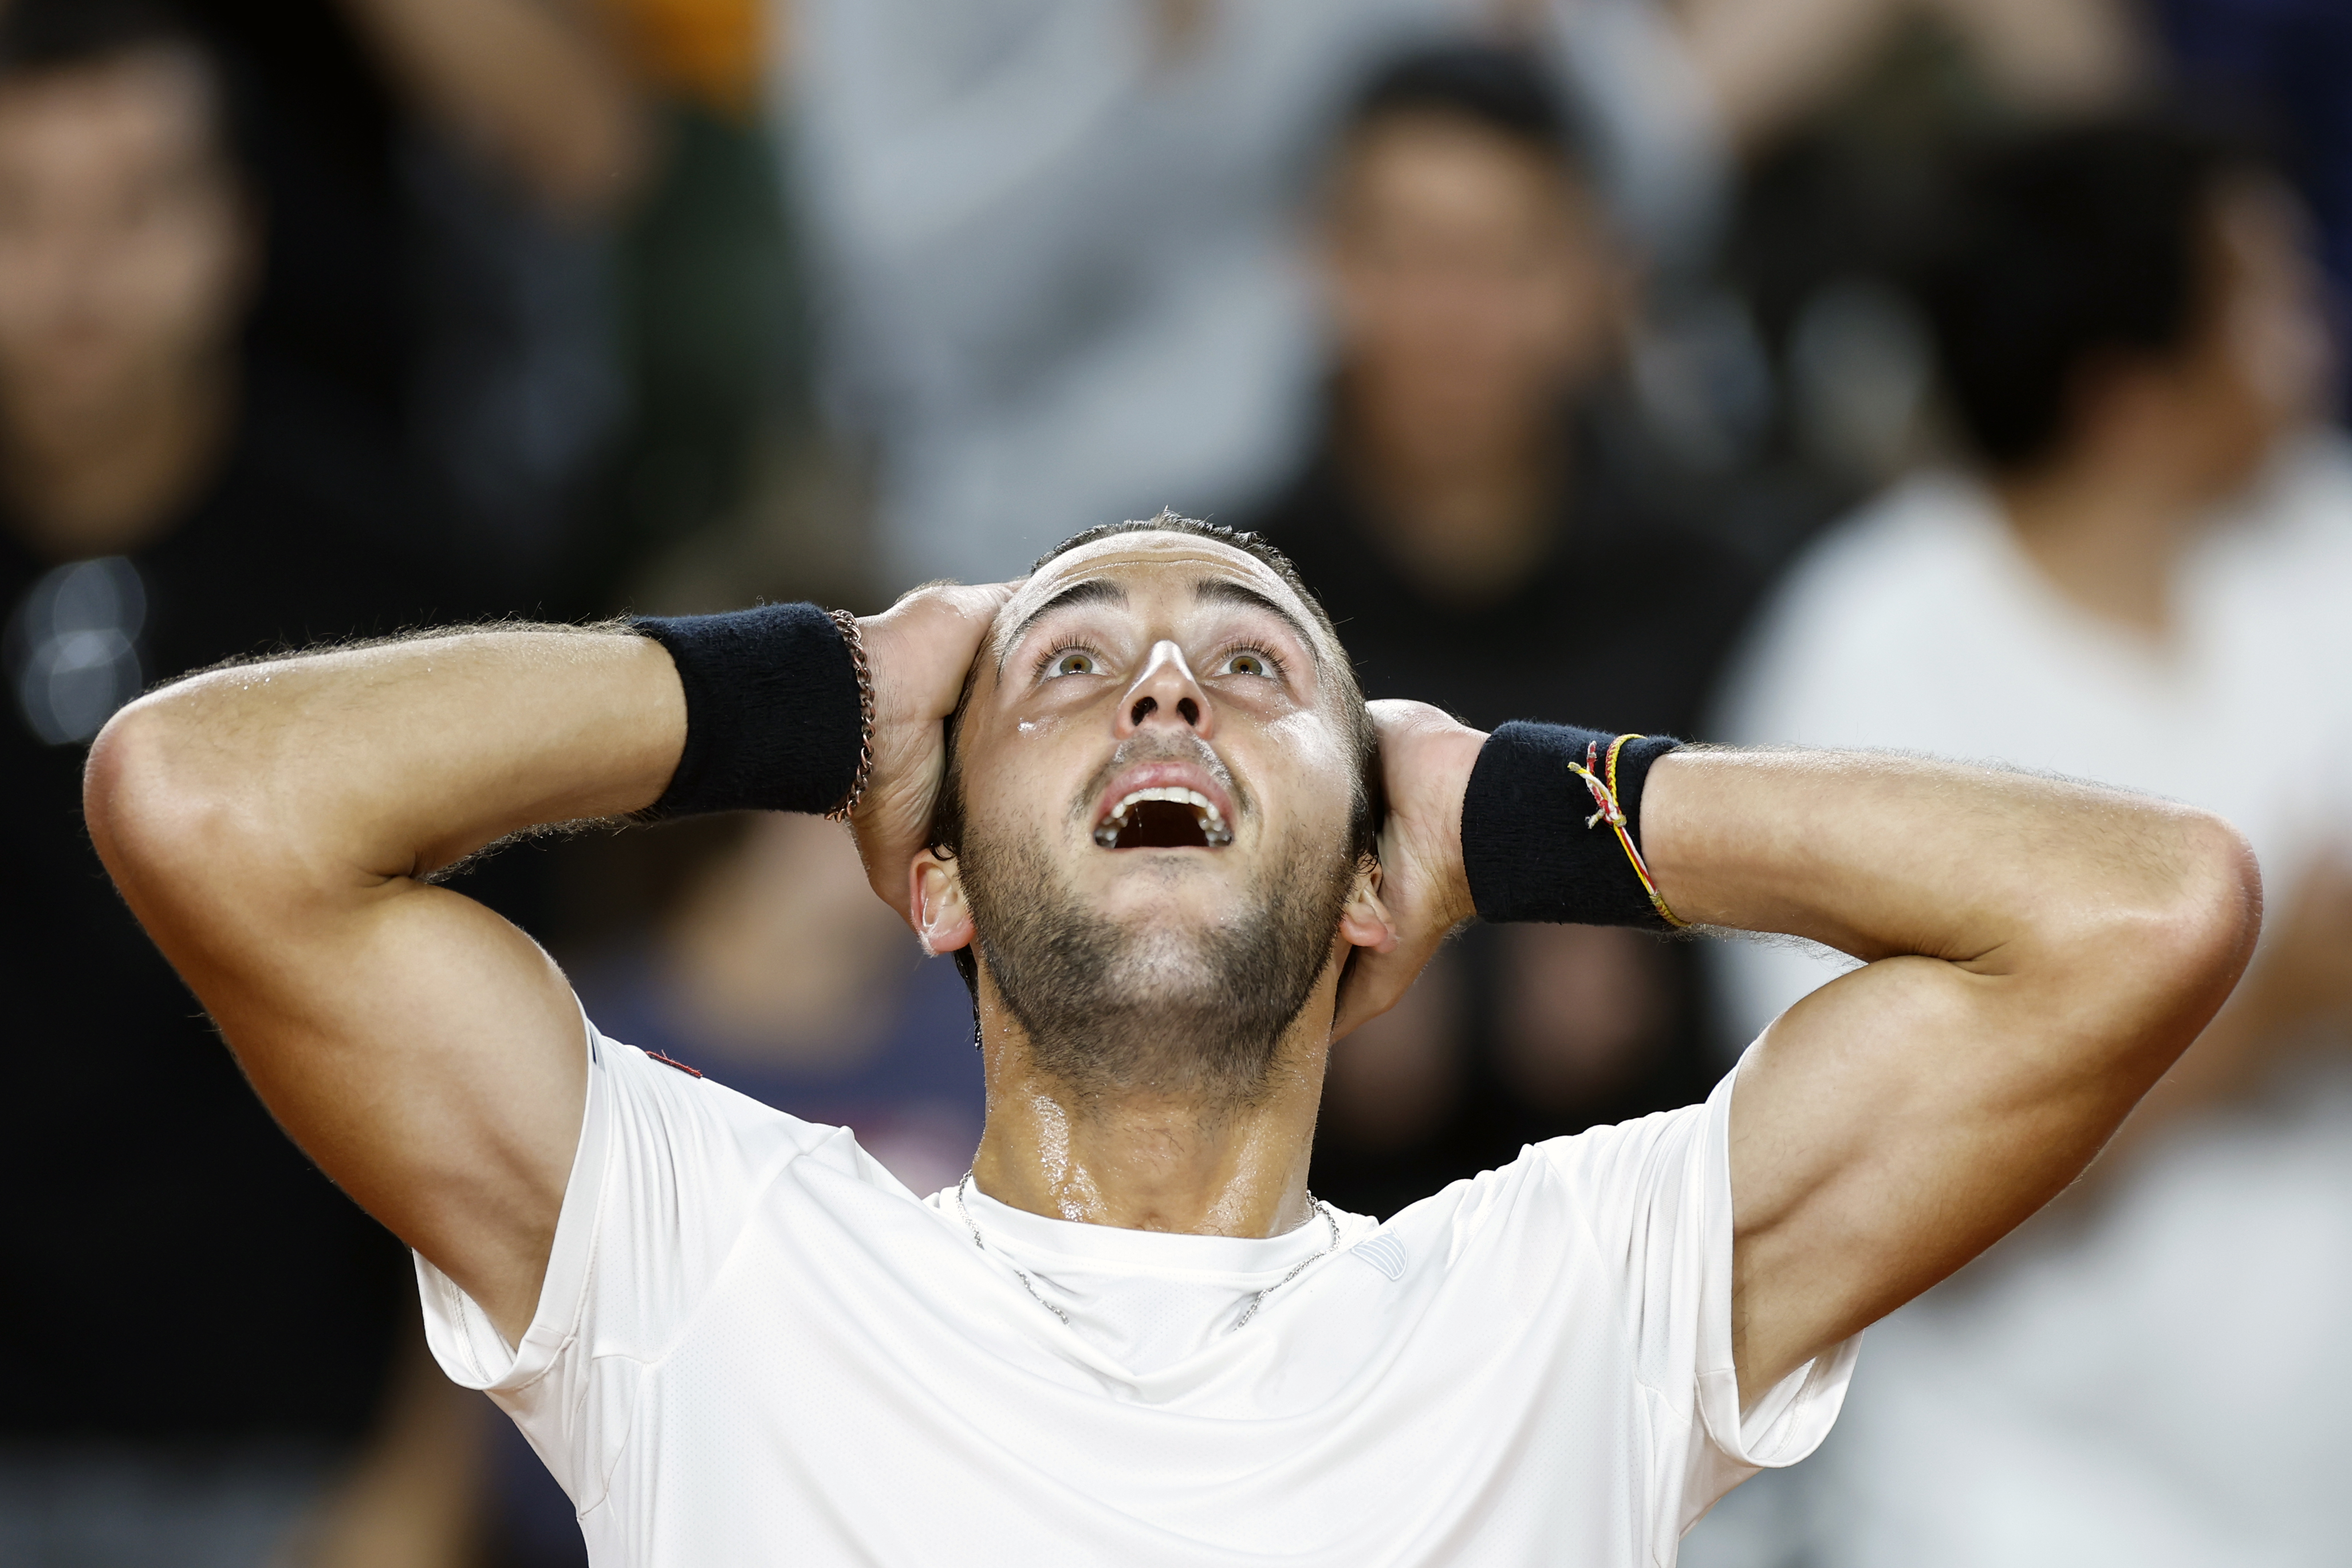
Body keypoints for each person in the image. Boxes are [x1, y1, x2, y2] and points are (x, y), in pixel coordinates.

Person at [87, 501, 2256, 1562]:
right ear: (927, 877)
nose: (1159, 686)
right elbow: (203, 798)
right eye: (1063, 666)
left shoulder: (1563, 1295)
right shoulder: (704, 1252)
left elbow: (2143, 910)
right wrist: (820, 688)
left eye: (1249, 665)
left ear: (1378, 877)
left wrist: (1520, 804)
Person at [1697, 119, 2352, 1565]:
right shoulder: (1868, 663)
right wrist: (2260, 1011)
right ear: (2130, 398)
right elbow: (1847, 1184)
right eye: (2266, 300)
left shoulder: (2322, 549)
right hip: (2006, 1500)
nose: (2315, 334)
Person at [0, 3, 478, 1562]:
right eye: (19, 212)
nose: (79, 273)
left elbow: (527, 1069)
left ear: (238, 229)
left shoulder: (399, 595)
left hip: (305, 1478)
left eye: (139, 204)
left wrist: (429, 1476)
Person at [1248, 42, 1755, 1215]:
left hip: (1656, 1280)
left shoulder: (1727, 600)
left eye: (1504, 260)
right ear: (1319, 264)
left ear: (1602, 281)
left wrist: (1667, 955)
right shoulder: (1212, 608)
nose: (1451, 314)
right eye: (1406, 254)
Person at [786, 0, 1723, 584]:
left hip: (1427, 552)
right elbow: (915, 301)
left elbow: (1662, 188)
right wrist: (1135, 63)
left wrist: (1557, 33)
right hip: (1043, 564)